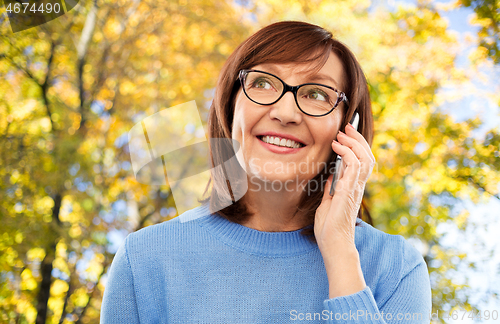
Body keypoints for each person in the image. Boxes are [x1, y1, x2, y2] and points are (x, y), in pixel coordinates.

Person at [100, 21, 432, 323]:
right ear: (231, 106)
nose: (286, 112)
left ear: (349, 128)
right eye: (263, 83)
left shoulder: (396, 268)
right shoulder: (144, 259)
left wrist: (340, 250)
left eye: (317, 94)